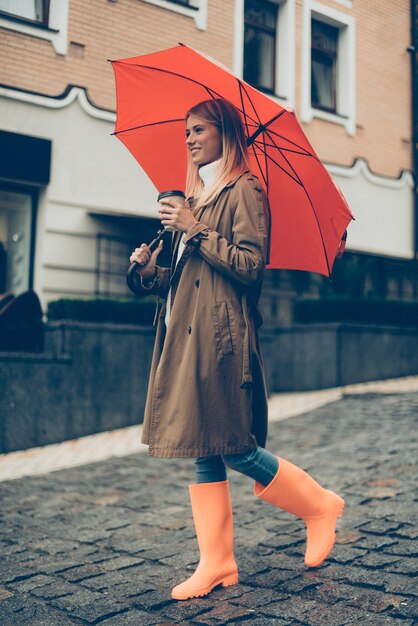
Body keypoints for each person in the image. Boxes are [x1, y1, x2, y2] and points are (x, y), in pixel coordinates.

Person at [128, 98, 344, 601]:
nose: (188, 138)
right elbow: (188, 281)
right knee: (202, 443)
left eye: (198, 129)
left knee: (233, 443)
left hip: (222, 339)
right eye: (185, 131)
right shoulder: (199, 198)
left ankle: (317, 504)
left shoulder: (245, 190)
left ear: (225, 133)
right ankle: (217, 562)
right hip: (188, 334)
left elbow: (249, 266)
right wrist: (147, 272)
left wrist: (192, 228)